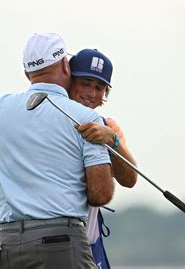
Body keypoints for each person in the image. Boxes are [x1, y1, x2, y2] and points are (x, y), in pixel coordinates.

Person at [0, 33, 114, 269]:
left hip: (8, 244)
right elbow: (100, 195)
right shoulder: (86, 118)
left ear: (26, 72)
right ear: (65, 65)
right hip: (62, 243)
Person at [69, 48, 138, 269]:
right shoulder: (48, 116)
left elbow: (130, 179)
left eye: (99, 87)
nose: (91, 92)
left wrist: (112, 141)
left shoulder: (108, 126)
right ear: (70, 81)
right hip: (57, 241)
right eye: (85, 83)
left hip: (91, 242)